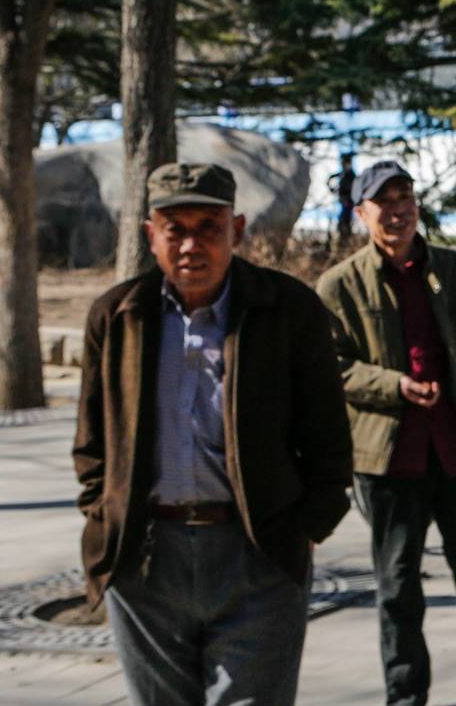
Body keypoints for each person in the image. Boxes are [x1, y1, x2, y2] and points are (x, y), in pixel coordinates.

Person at [73, 163, 353, 706]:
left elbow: (329, 436)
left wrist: (307, 526)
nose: (191, 245)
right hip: (146, 557)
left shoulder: (288, 309)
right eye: (175, 229)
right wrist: (104, 515)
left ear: (238, 230)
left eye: (209, 227)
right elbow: (91, 443)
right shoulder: (117, 315)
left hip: (258, 552)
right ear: (149, 234)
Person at [315, 161, 456, 706]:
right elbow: (333, 367)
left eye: (406, 197)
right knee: (398, 590)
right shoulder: (338, 285)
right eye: (384, 201)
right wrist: (393, 385)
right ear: (361, 213)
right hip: (389, 459)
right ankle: (406, 696)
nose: (398, 209)